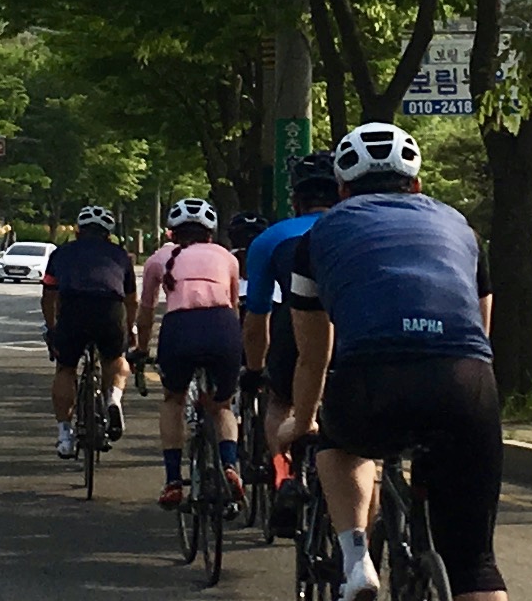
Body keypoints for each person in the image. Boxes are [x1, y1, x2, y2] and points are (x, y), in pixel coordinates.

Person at [282, 121, 508, 601]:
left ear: (342, 188)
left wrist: (302, 419)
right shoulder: (460, 226)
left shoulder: (318, 236)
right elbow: (481, 329)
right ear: (418, 183)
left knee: (338, 444)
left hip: (370, 378)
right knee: (474, 561)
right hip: (464, 381)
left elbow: (313, 353)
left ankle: (356, 560)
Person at [241, 149, 345, 507]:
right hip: (351, 325)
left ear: (296, 200)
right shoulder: (359, 229)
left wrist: (255, 370)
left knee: (280, 401)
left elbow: (257, 315)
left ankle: (283, 475)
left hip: (293, 326)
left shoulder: (270, 238)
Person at [138, 196, 250, 508]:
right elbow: (233, 304)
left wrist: (140, 349)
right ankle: (229, 465)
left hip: (180, 328)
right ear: (210, 233)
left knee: (173, 400)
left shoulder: (158, 259)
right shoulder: (226, 257)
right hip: (222, 326)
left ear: (172, 232)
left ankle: (173, 480)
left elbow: (145, 313)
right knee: (222, 405)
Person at [40, 203, 137, 457]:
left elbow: (48, 296)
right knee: (115, 359)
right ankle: (113, 399)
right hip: (109, 309)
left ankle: (64, 435)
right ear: (109, 235)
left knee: (65, 368)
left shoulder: (61, 253)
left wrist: (52, 328)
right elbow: (131, 300)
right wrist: (130, 328)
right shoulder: (121, 256)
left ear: (78, 231)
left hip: (73, 309)